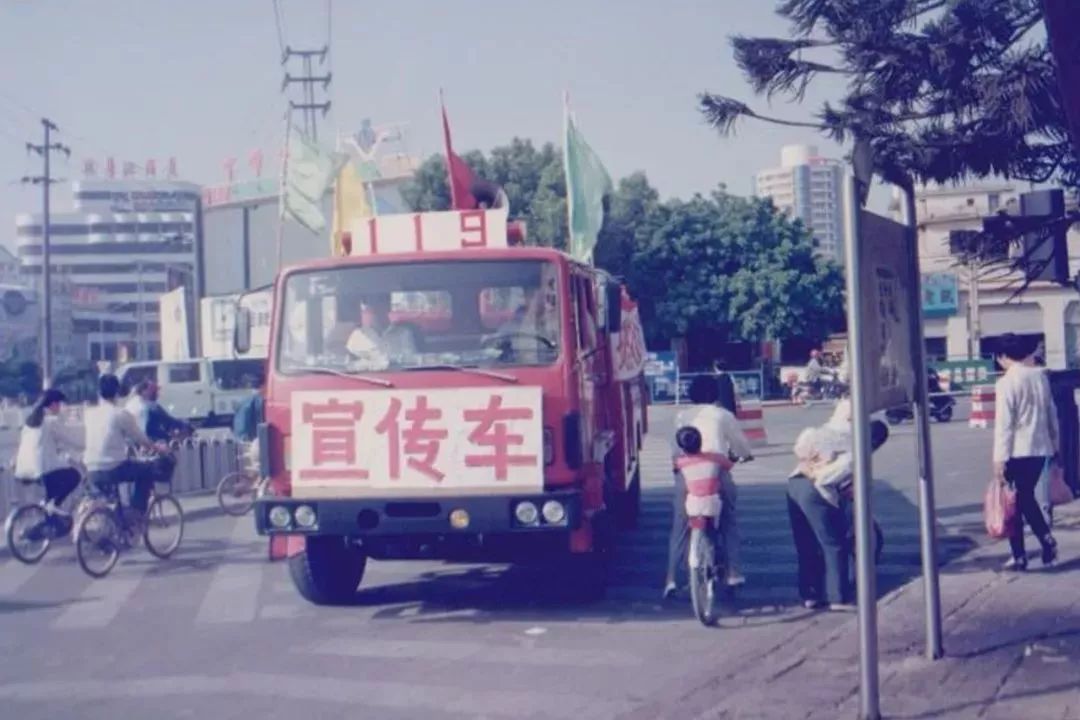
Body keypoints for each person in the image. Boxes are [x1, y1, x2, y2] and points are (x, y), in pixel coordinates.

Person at [664, 375, 754, 598]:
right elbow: (741, 446)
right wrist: (744, 455)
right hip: (716, 472)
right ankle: (733, 572)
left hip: (686, 475)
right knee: (728, 520)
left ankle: (671, 579)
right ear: (715, 394)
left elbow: (675, 450)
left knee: (680, 527)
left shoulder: (681, 416)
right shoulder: (722, 415)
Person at [993, 333, 1059, 570]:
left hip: (1016, 451)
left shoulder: (1006, 383)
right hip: (1040, 447)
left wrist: (999, 459)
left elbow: (1004, 425)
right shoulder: (1039, 377)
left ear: (1002, 357)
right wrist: (1055, 443)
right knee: (1023, 499)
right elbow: (1051, 413)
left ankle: (1023, 553)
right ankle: (1043, 544)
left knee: (1016, 502)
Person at [84, 374, 168, 525]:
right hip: (113, 467)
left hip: (90, 469)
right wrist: (158, 448)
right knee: (147, 471)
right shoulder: (120, 414)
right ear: (117, 392)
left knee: (111, 500)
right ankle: (137, 512)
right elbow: (140, 439)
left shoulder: (89, 414)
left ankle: (118, 524)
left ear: (98, 392)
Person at [13, 389, 83, 531]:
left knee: (52, 488)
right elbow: (71, 440)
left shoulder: (30, 422)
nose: (61, 408)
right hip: (42, 468)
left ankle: (51, 522)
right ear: (53, 405)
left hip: (24, 469)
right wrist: (87, 446)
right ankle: (54, 506)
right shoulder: (50, 422)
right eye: (60, 404)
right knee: (75, 475)